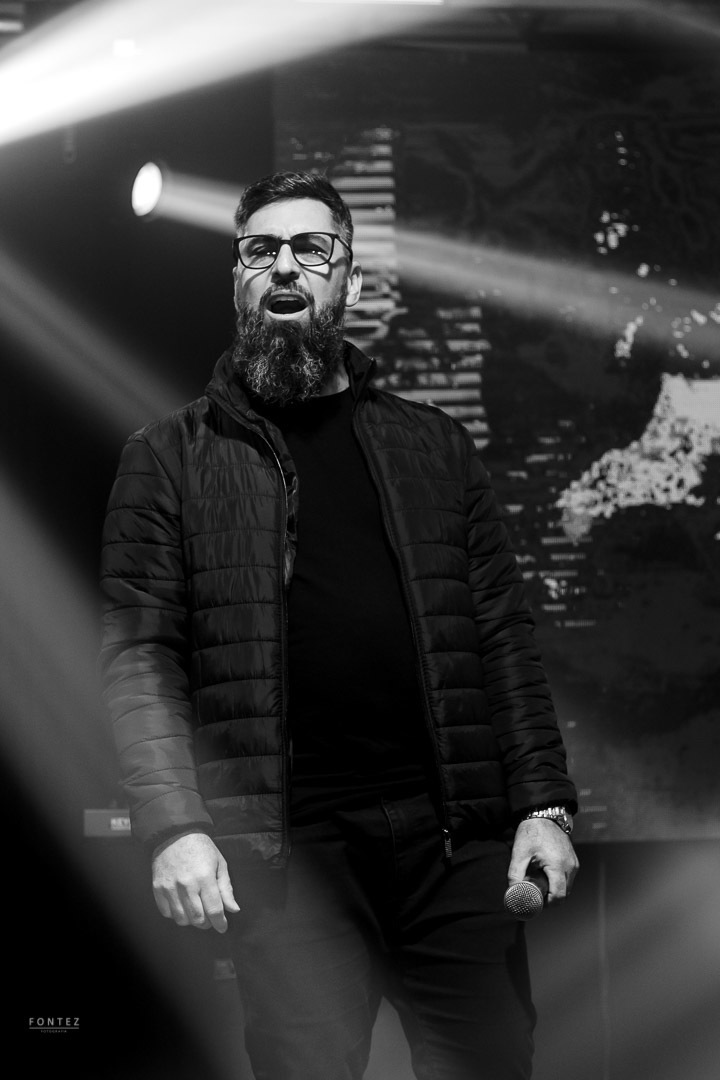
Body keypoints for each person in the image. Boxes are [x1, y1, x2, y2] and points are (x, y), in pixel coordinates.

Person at [100, 170, 579, 1080]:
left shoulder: (435, 445)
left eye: (311, 249)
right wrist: (171, 825)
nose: (284, 266)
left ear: (350, 281)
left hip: (451, 839)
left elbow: (502, 639)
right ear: (237, 280)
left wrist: (543, 807)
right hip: (293, 855)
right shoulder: (166, 458)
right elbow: (140, 661)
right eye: (260, 250)